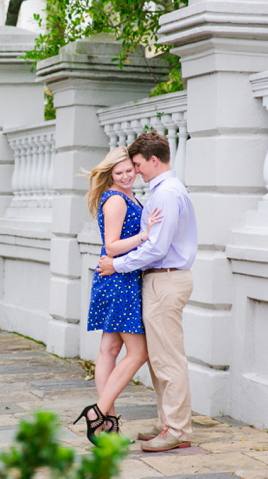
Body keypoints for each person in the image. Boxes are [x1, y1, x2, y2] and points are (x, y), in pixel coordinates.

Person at [97, 131, 198, 452]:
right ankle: (166, 422)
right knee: (159, 359)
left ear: (154, 160)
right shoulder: (160, 191)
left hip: (165, 278)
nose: (135, 170)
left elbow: (156, 247)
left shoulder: (166, 193)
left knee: (168, 360)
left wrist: (118, 265)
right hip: (158, 279)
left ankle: (178, 430)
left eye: (138, 164)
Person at [73, 146, 162, 444]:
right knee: (138, 352)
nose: (125, 176)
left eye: (129, 171)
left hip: (118, 276)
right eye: (119, 172)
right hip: (118, 280)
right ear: (110, 173)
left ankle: (105, 425)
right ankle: (98, 412)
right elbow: (111, 246)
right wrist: (144, 235)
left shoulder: (126, 196)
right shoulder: (115, 200)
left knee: (109, 350)